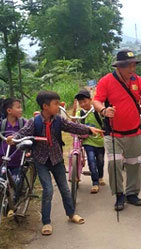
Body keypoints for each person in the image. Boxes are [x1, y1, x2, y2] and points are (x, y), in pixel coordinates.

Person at [8, 91, 103, 235]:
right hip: (41, 160)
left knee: (65, 189)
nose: (59, 106)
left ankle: (71, 214)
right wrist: (13, 137)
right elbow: (22, 133)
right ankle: (46, 222)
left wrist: (89, 129)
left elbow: (73, 127)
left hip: (57, 159)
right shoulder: (34, 122)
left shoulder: (58, 120)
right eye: (56, 104)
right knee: (48, 190)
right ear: (45, 106)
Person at [93, 49, 141, 211]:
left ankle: (132, 194)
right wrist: (103, 110)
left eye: (133, 65)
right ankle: (119, 195)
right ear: (119, 66)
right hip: (113, 132)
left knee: (133, 164)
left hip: (134, 131)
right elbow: (96, 101)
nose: (132, 69)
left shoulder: (136, 80)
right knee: (114, 164)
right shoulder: (106, 81)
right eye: (128, 66)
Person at [0, 98, 26, 215]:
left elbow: (30, 135)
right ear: (9, 110)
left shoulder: (23, 123)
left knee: (17, 183)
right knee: (1, 180)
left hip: (18, 158)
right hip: (3, 159)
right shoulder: (1, 125)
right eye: (18, 107)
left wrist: (29, 151)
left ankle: (14, 204)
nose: (21, 109)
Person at [74, 89, 106, 194]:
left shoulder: (97, 111)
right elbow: (74, 122)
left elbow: (104, 119)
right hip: (87, 141)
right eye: (80, 102)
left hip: (100, 141)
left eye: (85, 101)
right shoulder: (80, 113)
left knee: (100, 161)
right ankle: (95, 182)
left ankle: (100, 176)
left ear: (91, 100)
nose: (83, 104)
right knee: (91, 161)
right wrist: (74, 110)